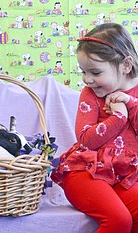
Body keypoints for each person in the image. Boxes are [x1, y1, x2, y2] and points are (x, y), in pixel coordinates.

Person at [51, 22, 138, 233]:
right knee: (119, 220)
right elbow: (86, 139)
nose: (88, 80)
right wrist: (118, 117)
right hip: (84, 172)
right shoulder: (89, 94)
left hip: (124, 176)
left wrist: (130, 104)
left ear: (125, 66)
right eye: (83, 72)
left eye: (96, 72)